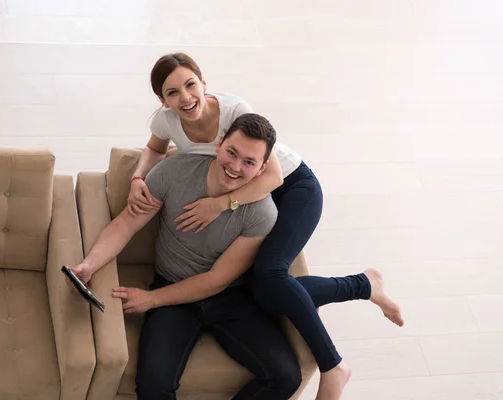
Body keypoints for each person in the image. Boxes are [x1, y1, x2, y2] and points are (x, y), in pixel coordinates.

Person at [126, 53, 404, 400]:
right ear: (162, 100)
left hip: (289, 187)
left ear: (203, 82)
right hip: (247, 192)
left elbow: (270, 175)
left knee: (269, 279)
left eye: (190, 84)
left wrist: (220, 204)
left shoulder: (234, 111)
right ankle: (364, 285)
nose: (185, 97)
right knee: (264, 292)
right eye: (172, 92)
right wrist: (138, 176)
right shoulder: (167, 121)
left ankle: (333, 366)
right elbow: (153, 148)